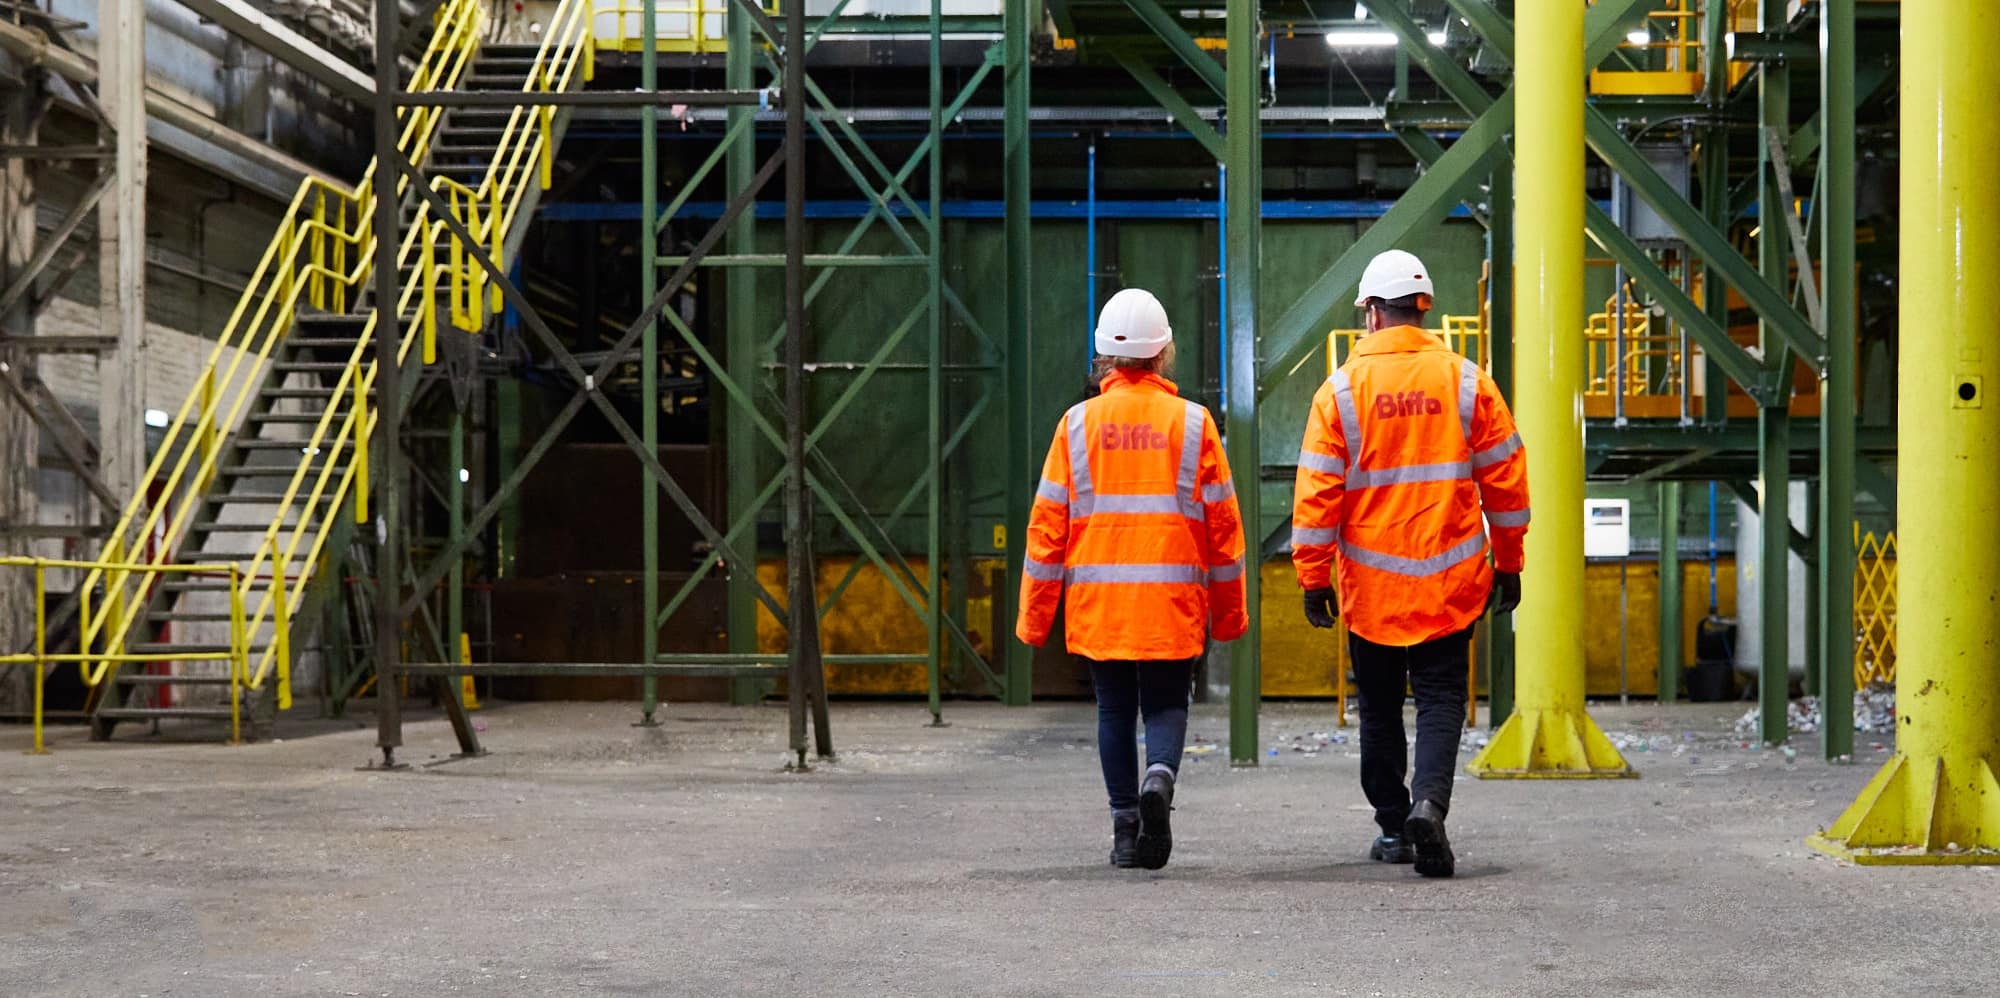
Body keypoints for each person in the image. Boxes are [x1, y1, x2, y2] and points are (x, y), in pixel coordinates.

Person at [1290, 250, 1530, 879]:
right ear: (1422, 309)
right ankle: (1431, 803)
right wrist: (1510, 562)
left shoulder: (1339, 391)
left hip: (1372, 590)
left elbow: (1318, 494)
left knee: (1377, 706)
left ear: (1371, 312)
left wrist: (1313, 577)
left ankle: (1395, 825)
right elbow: (1506, 482)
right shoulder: (1468, 381)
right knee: (1441, 700)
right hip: (1450, 582)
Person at [1016, 288, 1248, 871]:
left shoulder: (1075, 427)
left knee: (1114, 710)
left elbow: (1047, 528)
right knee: (1167, 703)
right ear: (1164, 353)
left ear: (1103, 358)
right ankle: (1160, 780)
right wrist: (1231, 612)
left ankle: (1126, 828)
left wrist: (1034, 617)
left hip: (1102, 602)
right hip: (1170, 598)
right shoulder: (1194, 425)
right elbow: (1224, 528)